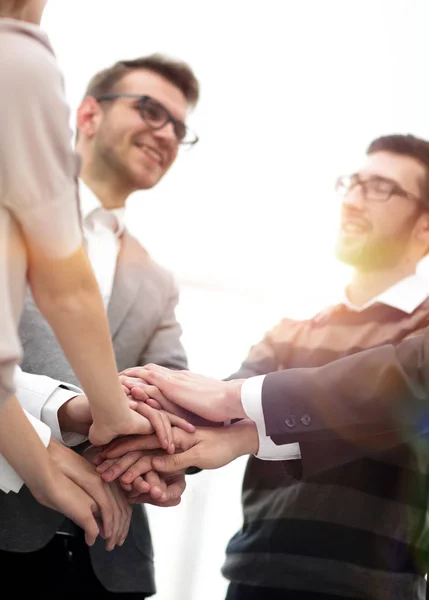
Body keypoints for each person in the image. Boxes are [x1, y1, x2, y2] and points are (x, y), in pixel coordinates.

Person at [117, 134, 429, 599]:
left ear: (424, 228)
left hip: (370, 587)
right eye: (353, 183)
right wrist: (161, 443)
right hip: (254, 576)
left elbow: (387, 413)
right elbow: (230, 403)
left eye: (381, 188)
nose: (355, 200)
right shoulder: (294, 327)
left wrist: (230, 416)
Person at [3, 53, 200, 597]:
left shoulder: (157, 280)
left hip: (107, 559)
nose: (166, 134)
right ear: (89, 115)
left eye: (179, 128)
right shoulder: (10, 206)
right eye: (150, 111)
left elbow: (172, 390)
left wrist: (166, 458)